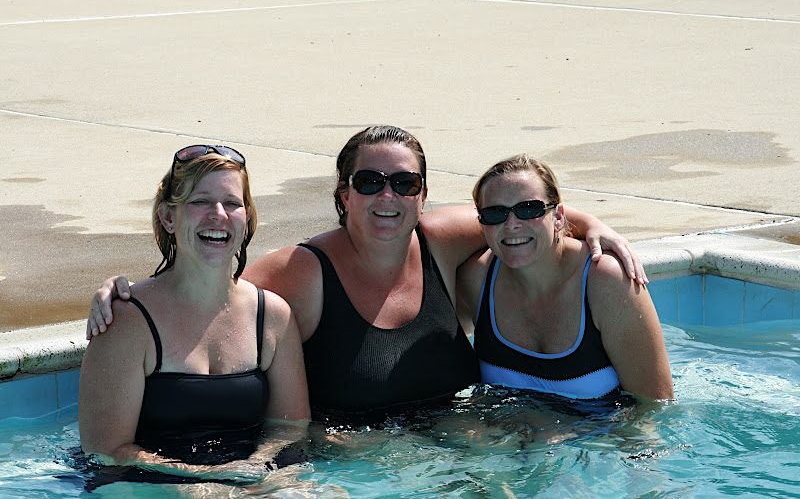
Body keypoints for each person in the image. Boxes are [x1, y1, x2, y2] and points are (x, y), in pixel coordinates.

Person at [86, 127, 648, 420]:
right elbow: (207, 288)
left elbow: (520, 213)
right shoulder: (303, 273)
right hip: (353, 468)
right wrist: (127, 292)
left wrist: (593, 224)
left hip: (460, 454)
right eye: (369, 182)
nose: (387, 196)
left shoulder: (441, 239)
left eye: (404, 183)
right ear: (343, 195)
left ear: (422, 197)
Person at [79, 145, 310, 481]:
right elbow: (106, 451)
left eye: (232, 203)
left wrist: (259, 470)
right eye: (200, 201)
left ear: (247, 217)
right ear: (168, 218)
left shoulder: (272, 317)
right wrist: (205, 480)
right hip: (150, 485)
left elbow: (290, 428)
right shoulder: (127, 321)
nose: (218, 214)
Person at [456, 154, 673, 400]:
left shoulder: (604, 280)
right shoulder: (476, 281)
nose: (512, 224)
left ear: (558, 217)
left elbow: (654, 406)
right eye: (496, 213)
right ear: (482, 222)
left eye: (529, 209)